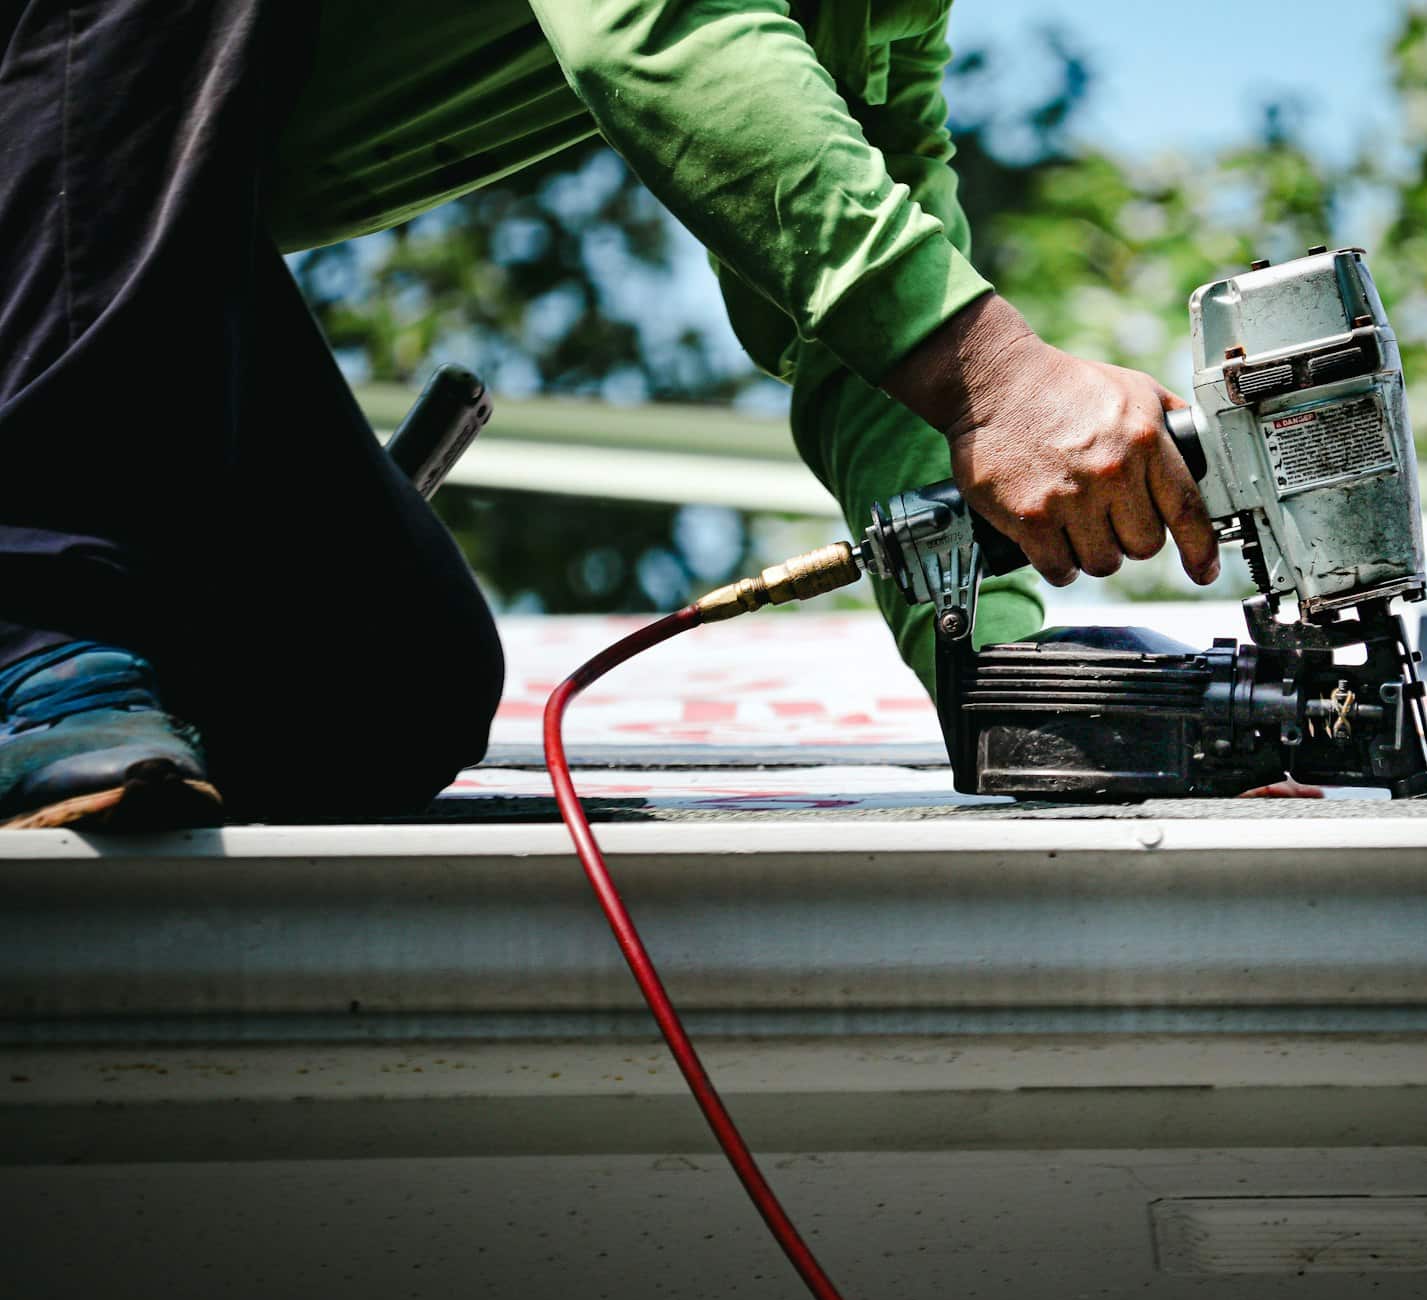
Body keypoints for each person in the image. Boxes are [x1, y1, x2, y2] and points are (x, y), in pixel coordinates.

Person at [0, 0, 1219, 830]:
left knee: (381, 693)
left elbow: (855, 318)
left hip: (78, 265)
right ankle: (38, 621)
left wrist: (1000, 677)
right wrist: (993, 373)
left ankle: (89, 650)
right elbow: (667, 29)